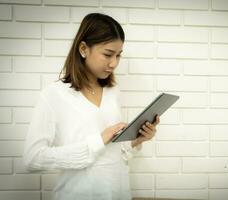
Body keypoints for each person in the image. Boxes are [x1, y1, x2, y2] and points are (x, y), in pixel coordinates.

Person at [22, 13, 160, 200]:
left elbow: (112, 154)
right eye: (108, 54)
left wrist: (136, 140)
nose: (114, 63)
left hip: (118, 192)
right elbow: (33, 159)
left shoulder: (113, 92)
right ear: (84, 49)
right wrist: (98, 140)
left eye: (118, 55)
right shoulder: (53, 95)